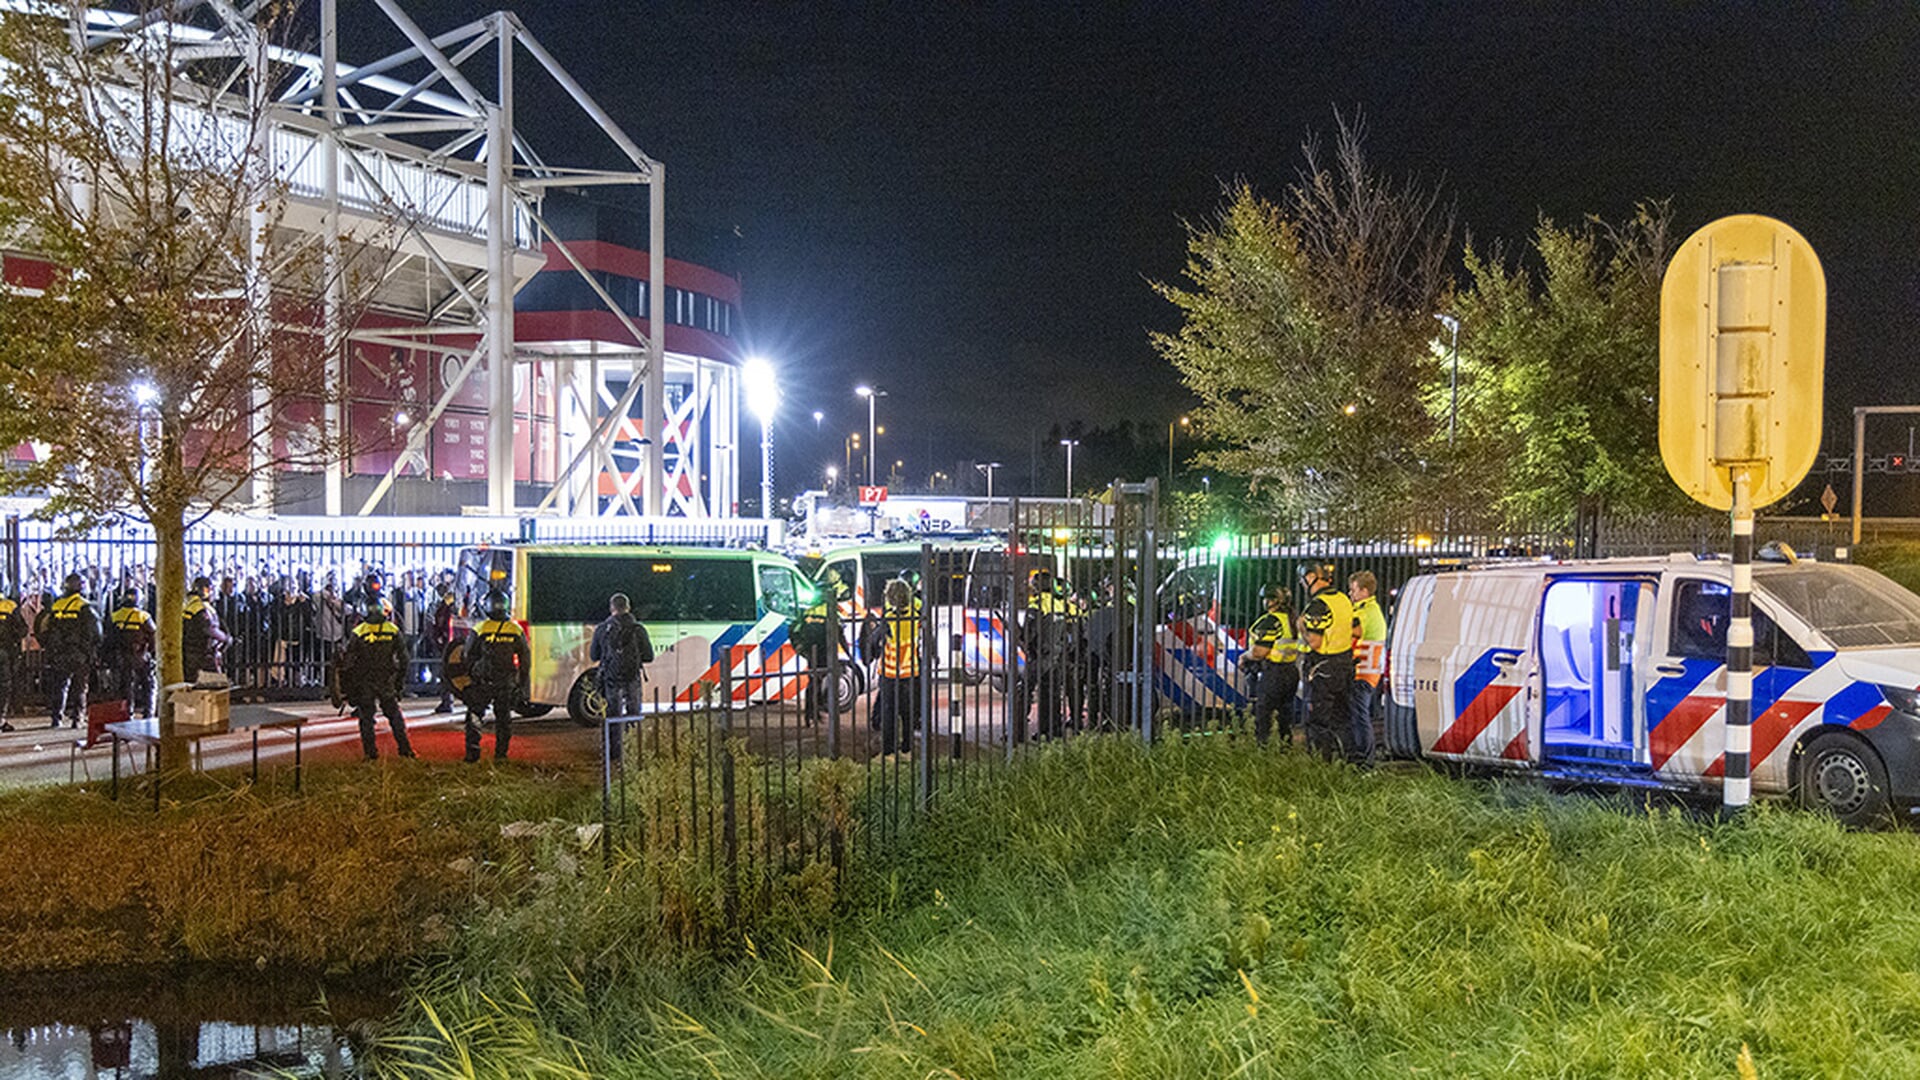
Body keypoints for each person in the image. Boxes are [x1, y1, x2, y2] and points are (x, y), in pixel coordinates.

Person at [337, 599, 415, 760]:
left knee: (366, 717)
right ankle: (405, 750)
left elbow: (348, 662)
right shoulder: (392, 630)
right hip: (386, 678)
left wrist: (348, 687)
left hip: (365, 680)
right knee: (394, 714)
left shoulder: (359, 631)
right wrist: (399, 682)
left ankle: (371, 754)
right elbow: (404, 659)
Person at [461, 589, 530, 762]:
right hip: (505, 682)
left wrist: (473, 673)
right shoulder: (515, 629)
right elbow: (525, 659)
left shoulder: (480, 628)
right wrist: (522, 684)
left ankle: (472, 754)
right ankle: (501, 755)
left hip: (483, 681)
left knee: (475, 717)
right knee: (504, 720)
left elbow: (467, 655)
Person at [1298, 562, 1356, 761]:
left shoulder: (1317, 605)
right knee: (1343, 720)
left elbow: (1315, 642)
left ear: (1310, 577)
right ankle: (1351, 764)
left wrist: (1301, 627)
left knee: (1318, 722)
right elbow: (1358, 631)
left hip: (1323, 668)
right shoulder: (1343, 599)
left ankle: (1321, 767)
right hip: (1345, 665)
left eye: (1303, 580)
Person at [590, 592, 654, 757]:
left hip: (611, 678)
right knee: (633, 712)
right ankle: (632, 748)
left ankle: (613, 751)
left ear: (612, 608)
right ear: (628, 607)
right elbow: (649, 656)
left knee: (613, 713)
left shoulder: (602, 629)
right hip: (632, 677)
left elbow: (594, 656)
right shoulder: (638, 629)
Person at [41, 573, 100, 728]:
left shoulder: (57, 605)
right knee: (80, 687)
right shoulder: (84, 606)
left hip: (59, 653)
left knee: (60, 686)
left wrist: (50, 648)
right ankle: (77, 719)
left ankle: (56, 719)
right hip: (79, 652)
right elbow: (97, 632)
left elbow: (45, 628)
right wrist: (91, 651)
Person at [869, 578, 920, 757]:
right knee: (908, 714)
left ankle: (889, 752)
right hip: (910, 671)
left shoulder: (889, 619)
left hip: (890, 673)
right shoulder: (915, 615)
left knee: (889, 713)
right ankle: (907, 749)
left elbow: (875, 643)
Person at [1018, 568, 1070, 740]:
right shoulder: (1061, 605)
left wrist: (1018, 633)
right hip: (1056, 656)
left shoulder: (1037, 605)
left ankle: (1017, 732)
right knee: (1052, 695)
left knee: (1024, 693)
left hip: (1038, 656)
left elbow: (1028, 634)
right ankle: (1051, 730)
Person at [1246, 583, 1300, 747]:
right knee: (1285, 716)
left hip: (1274, 674)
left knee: (1263, 717)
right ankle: (1286, 749)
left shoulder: (1272, 621)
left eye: (1266, 598)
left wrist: (1244, 657)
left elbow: (1259, 652)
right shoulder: (1292, 619)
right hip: (1290, 672)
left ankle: (1263, 751)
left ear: (1273, 601)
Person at [793, 568, 847, 724]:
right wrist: (848, 653)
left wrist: (800, 647)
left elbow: (796, 629)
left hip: (812, 651)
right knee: (824, 680)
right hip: (825, 651)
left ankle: (810, 713)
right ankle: (816, 712)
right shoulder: (830, 611)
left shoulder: (808, 610)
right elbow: (839, 633)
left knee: (813, 682)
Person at [1348, 570, 1389, 766]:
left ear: (1364, 591)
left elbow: (1350, 630)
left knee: (1359, 716)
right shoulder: (1371, 610)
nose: (1351, 594)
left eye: (1353, 590)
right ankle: (1362, 758)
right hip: (1365, 671)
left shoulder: (1367, 612)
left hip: (1364, 672)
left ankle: (1365, 761)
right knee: (1358, 715)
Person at [105, 590, 156, 719]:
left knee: (125, 686)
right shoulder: (143, 616)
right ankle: (148, 714)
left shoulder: (115, 615)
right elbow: (153, 636)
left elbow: (108, 638)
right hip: (141, 656)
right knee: (148, 685)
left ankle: (127, 714)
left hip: (121, 656)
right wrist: (151, 653)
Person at [182, 576, 231, 678]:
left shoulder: (189, 604)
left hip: (190, 654)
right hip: (203, 655)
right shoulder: (201, 608)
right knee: (213, 686)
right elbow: (209, 628)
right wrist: (226, 638)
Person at [426, 581, 458, 713]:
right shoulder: (445, 606)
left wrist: (438, 639)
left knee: (446, 672)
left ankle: (447, 701)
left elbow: (440, 624)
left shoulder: (446, 608)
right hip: (452, 642)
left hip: (448, 643)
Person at [0, 592, 27, 732]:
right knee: (4, 686)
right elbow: (23, 629)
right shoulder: (9, 606)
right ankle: (1, 719)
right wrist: (13, 640)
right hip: (5, 651)